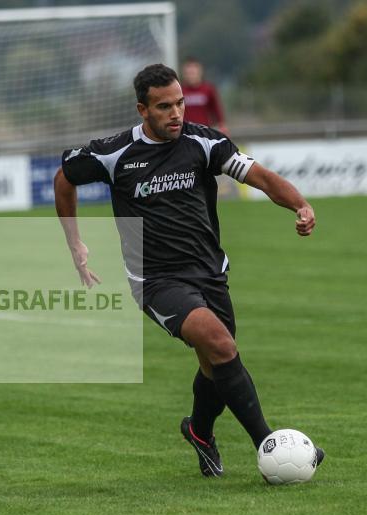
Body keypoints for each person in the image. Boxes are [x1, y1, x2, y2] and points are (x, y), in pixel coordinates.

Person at [53, 64, 324, 478]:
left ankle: (198, 431)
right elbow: (64, 179)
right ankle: (271, 446)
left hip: (210, 273)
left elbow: (262, 178)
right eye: (165, 107)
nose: (176, 113)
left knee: (215, 364)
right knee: (221, 344)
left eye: (179, 102)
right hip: (156, 281)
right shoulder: (114, 154)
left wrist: (300, 205)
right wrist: (75, 242)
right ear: (143, 109)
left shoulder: (204, 143)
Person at [180, 57, 227, 132]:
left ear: (200, 72)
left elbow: (216, 109)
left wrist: (221, 124)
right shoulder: (179, 91)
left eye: (193, 72)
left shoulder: (208, 89)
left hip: (204, 132)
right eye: (188, 73)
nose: (191, 75)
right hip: (185, 132)